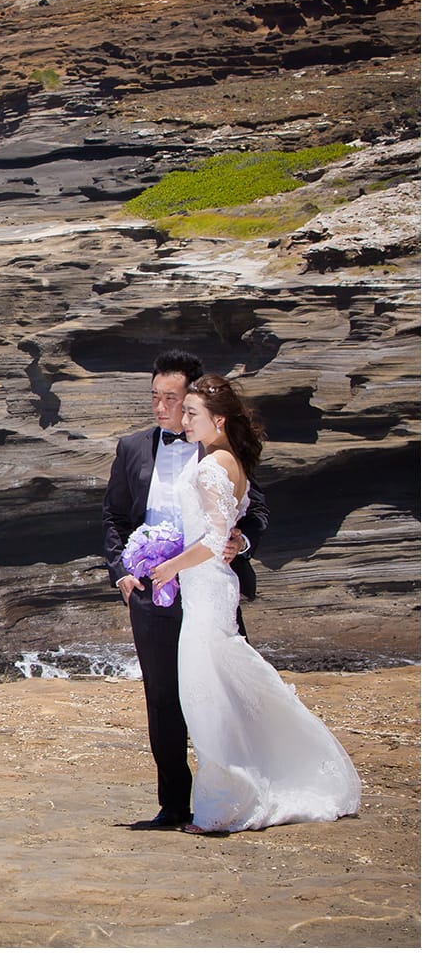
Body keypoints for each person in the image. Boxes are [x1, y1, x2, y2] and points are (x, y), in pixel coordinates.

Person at [148, 376, 360, 833]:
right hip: (209, 587)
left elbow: (214, 538)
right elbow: (222, 529)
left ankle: (225, 804)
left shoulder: (212, 465)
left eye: (192, 413)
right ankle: (239, 787)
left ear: (218, 420)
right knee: (219, 687)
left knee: (205, 696)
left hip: (206, 588)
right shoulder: (229, 459)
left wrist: (169, 567)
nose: (184, 419)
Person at [101, 351, 267, 830]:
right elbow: (114, 515)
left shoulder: (217, 450)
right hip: (149, 590)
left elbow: (255, 511)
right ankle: (174, 804)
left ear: (193, 397)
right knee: (162, 697)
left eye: (171, 399)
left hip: (207, 587)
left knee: (223, 690)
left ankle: (240, 793)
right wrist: (121, 571)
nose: (160, 408)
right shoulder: (132, 448)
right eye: (154, 397)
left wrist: (241, 541)